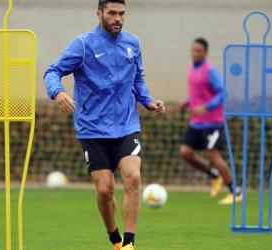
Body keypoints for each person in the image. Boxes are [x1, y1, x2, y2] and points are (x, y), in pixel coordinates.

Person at [44, 0, 165, 249]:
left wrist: (149, 101)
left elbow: (138, 78)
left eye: (121, 13)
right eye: (112, 13)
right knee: (105, 191)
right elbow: (52, 71)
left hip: (126, 125)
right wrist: (58, 93)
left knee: (133, 178)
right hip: (92, 127)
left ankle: (129, 244)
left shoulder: (133, 43)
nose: (117, 18)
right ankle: (115, 239)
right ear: (99, 14)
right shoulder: (83, 45)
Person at [180, 38, 242, 204]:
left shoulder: (210, 70)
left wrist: (207, 107)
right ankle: (214, 175)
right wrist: (187, 102)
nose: (194, 53)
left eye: (198, 50)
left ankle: (236, 191)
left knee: (211, 153)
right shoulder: (191, 68)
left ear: (205, 52)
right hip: (196, 122)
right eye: (193, 49)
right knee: (185, 152)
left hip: (212, 121)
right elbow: (198, 92)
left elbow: (223, 92)